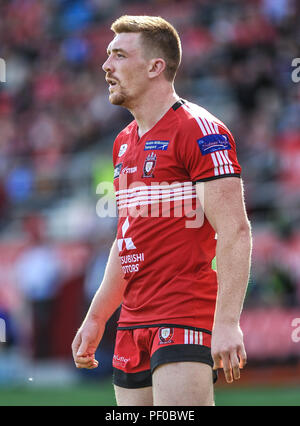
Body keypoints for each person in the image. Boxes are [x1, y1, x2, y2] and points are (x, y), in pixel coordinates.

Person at [72, 15, 252, 406]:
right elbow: (127, 239)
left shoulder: (200, 131)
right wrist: (98, 316)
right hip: (132, 322)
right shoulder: (122, 143)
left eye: (119, 55)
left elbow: (235, 230)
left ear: (156, 67)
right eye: (107, 55)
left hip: (184, 313)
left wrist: (227, 322)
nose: (106, 66)